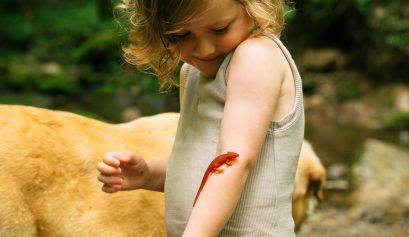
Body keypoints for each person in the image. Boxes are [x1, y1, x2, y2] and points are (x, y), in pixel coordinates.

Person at [97, 0, 304, 236]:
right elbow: (200, 168)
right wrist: (149, 175)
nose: (205, 49)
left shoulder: (255, 56)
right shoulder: (192, 74)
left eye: (219, 29)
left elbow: (233, 163)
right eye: (182, 35)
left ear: (252, 5)